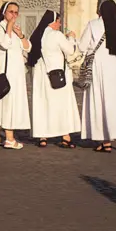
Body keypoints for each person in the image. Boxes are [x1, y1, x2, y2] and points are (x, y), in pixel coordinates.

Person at [78, 0, 116, 152]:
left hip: (100, 69)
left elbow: (82, 46)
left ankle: (106, 142)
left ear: (100, 11)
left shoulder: (93, 25)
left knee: (101, 102)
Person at [28, 10, 81, 148]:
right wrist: (71, 38)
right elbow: (70, 50)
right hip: (58, 76)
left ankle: (42, 137)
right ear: (53, 22)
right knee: (62, 106)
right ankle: (65, 136)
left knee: (42, 105)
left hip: (41, 76)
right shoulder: (57, 35)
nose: (60, 24)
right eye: (58, 21)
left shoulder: (37, 36)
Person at [0, 1, 31, 149]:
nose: (14, 15)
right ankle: (9, 138)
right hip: (6, 70)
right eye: (11, 12)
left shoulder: (15, 29)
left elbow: (28, 47)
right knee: (7, 100)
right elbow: (4, 44)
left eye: (16, 12)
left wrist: (20, 35)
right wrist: (8, 27)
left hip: (17, 71)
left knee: (5, 101)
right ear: (4, 12)